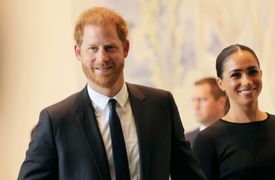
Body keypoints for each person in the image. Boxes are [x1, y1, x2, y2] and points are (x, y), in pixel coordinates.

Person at [18, 7, 206, 180]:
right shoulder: (56, 120)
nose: (102, 58)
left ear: (125, 48)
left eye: (110, 47)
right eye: (93, 48)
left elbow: (188, 174)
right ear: (78, 52)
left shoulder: (161, 104)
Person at [193, 44, 275, 180]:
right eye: (236, 75)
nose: (246, 81)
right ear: (220, 83)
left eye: (252, 72)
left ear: (261, 74)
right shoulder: (208, 140)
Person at [185, 77, 227, 147]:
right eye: (194, 100)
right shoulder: (185, 140)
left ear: (221, 102)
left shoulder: (235, 136)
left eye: (202, 100)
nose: (196, 107)